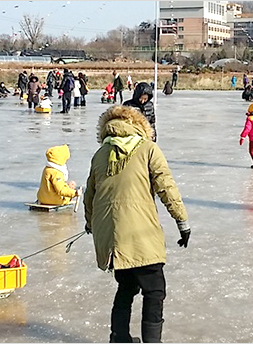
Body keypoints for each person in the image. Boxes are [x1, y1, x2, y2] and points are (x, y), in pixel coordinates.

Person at [83, 105, 191, 344]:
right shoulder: (148, 149)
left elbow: (89, 194)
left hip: (111, 235)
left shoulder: (100, 154)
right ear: (140, 126)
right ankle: (152, 341)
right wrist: (181, 221)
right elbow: (166, 187)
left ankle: (118, 338)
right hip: (140, 233)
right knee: (154, 290)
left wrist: (90, 223)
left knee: (127, 287)